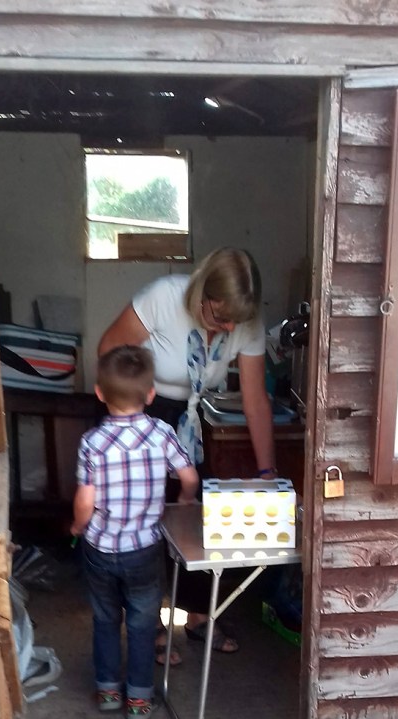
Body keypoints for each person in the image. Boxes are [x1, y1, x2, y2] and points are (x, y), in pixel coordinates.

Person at [97, 246, 278, 664]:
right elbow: (108, 349)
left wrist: (267, 472)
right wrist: (125, 424)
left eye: (238, 319)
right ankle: (149, 624)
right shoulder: (163, 296)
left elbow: (254, 400)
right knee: (140, 521)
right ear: (202, 294)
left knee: (195, 520)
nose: (230, 326)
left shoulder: (244, 319)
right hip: (138, 410)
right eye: (220, 317)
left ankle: (198, 617)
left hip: (191, 421)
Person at [70, 345, 199, 719]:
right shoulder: (161, 432)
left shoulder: (92, 442)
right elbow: (189, 477)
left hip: (100, 548)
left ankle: (108, 690)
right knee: (143, 624)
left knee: (105, 618)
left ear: (99, 393)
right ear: (150, 395)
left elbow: (85, 500)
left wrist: (78, 526)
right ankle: (139, 700)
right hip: (144, 548)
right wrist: (186, 500)